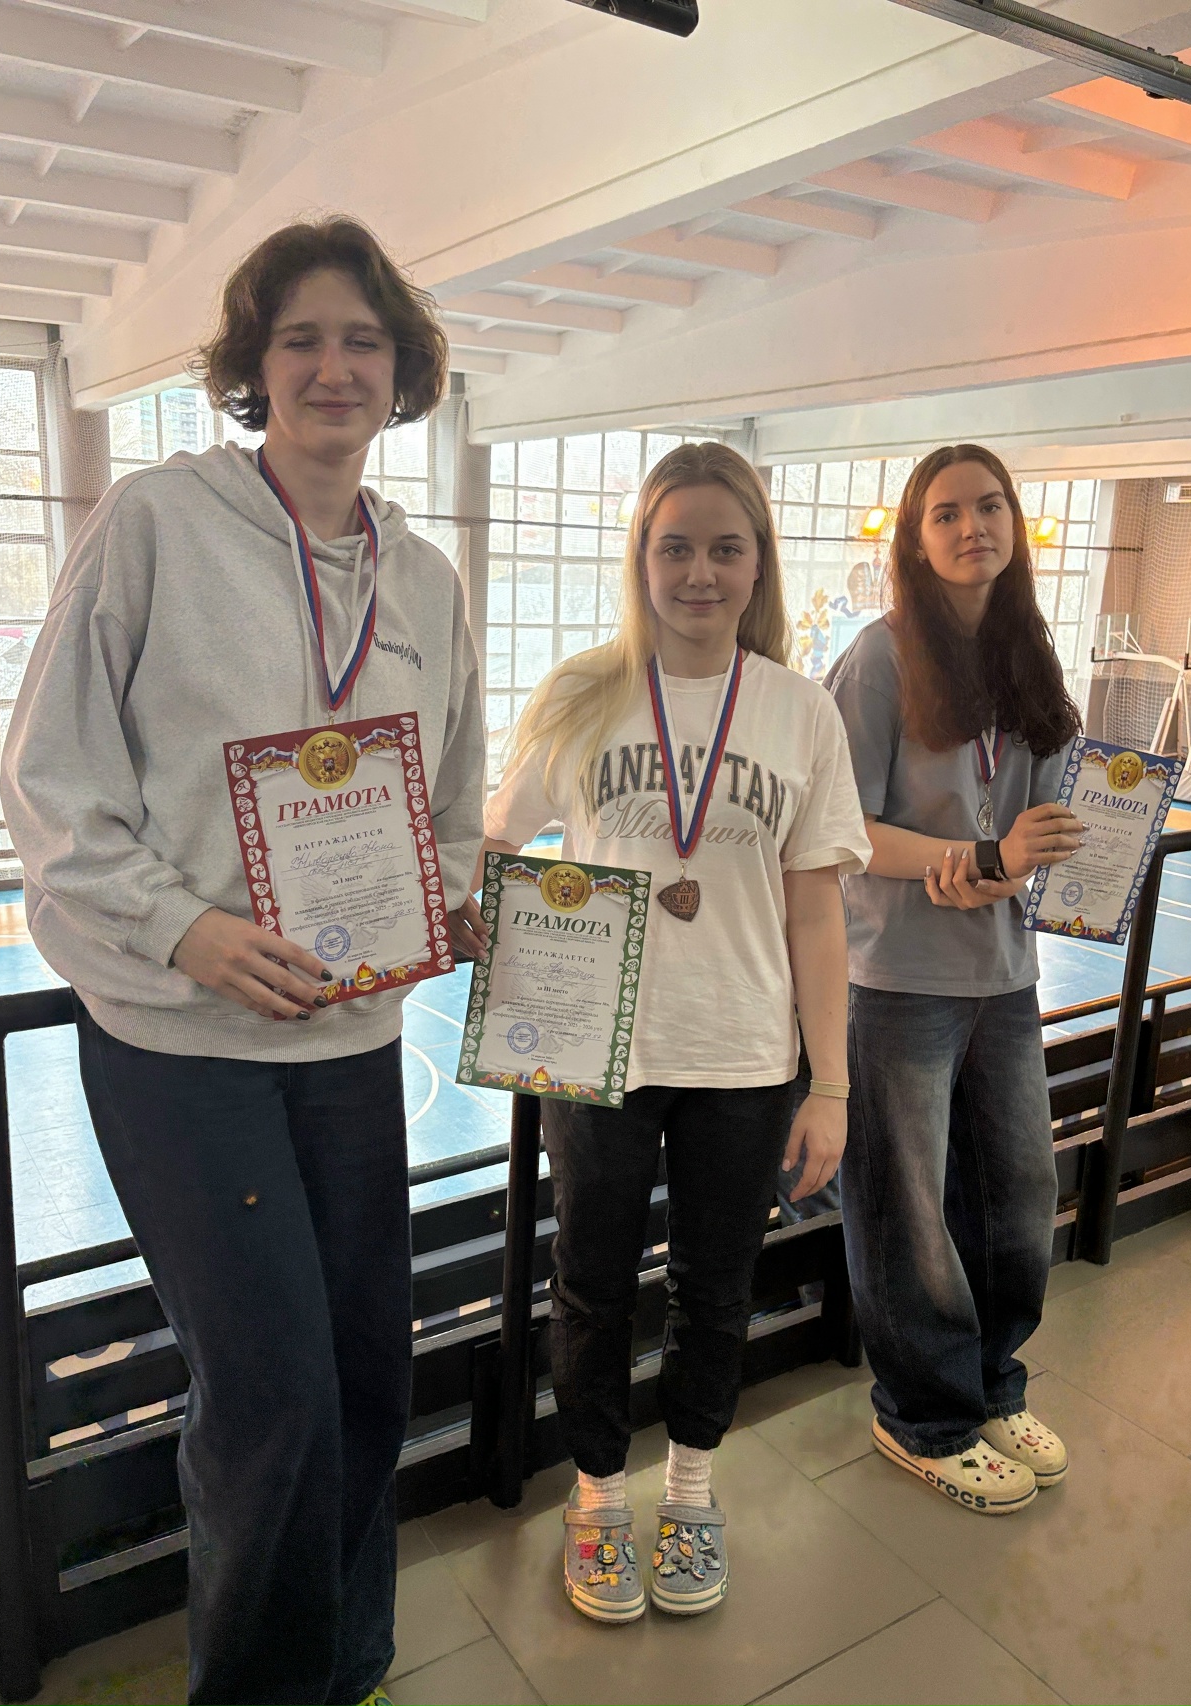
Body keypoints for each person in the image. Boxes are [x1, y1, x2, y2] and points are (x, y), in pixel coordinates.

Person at [1, 218, 486, 1706]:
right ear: (253, 366)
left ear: (401, 370)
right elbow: (50, 783)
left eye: (363, 341)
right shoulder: (156, 523)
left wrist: (441, 903)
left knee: (367, 1375)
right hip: (182, 1048)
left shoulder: (427, 584)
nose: (335, 367)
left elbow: (453, 807)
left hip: (348, 1049)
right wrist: (185, 929)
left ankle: (347, 1662)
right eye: (302, 339)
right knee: (271, 1401)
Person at [464, 443, 871, 1621]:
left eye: (724, 548)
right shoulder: (582, 693)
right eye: (674, 546)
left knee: (714, 1284)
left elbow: (815, 910)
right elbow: (498, 837)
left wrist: (831, 1082)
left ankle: (690, 1486)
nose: (699, 571)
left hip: (742, 1053)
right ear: (639, 558)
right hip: (594, 1053)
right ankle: (597, 1490)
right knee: (590, 1283)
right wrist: (468, 905)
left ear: (758, 563)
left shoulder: (798, 709)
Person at [824, 444, 1084, 1515]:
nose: (972, 525)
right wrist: (974, 858)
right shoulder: (878, 658)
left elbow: (1047, 816)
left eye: (989, 505)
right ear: (915, 536)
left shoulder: (1028, 654)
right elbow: (840, 828)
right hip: (897, 978)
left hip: (1003, 973)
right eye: (945, 512)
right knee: (907, 1211)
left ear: (1014, 523)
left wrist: (1073, 844)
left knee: (1020, 1195)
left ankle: (990, 1384)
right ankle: (921, 1416)